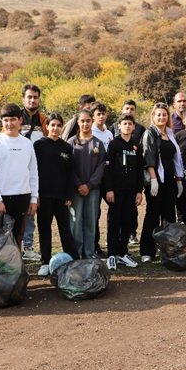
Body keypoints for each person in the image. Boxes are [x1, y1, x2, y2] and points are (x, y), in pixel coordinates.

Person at [0, 103, 39, 249]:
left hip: (22, 197)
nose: (10, 124)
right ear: (1, 121)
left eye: (13, 119)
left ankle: (13, 269)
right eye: (6, 120)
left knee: (16, 237)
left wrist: (34, 198)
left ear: (20, 120)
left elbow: (33, 172)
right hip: (1, 198)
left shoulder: (27, 143)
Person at [33, 113, 79, 276]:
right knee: (44, 229)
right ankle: (45, 261)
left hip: (61, 197)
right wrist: (35, 195)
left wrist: (69, 196)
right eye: (52, 125)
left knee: (65, 229)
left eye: (59, 125)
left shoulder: (66, 148)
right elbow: (33, 171)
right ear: (46, 126)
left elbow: (69, 173)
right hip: (43, 196)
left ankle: (73, 258)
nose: (55, 128)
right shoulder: (38, 145)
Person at [140, 103, 185, 262]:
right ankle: (147, 250)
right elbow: (148, 156)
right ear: (153, 116)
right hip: (156, 180)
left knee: (169, 215)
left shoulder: (170, 133)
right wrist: (153, 179)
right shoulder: (150, 133)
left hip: (170, 180)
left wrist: (178, 179)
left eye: (164, 114)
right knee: (152, 215)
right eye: (158, 115)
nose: (162, 117)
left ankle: (167, 250)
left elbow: (176, 158)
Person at [104, 114, 144, 270]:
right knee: (114, 221)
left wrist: (139, 191)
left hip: (131, 191)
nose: (127, 126)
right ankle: (111, 255)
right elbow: (108, 169)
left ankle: (123, 253)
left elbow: (140, 171)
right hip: (116, 190)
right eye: (124, 123)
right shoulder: (113, 144)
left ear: (134, 127)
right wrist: (109, 189)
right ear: (118, 126)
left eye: (130, 124)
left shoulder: (136, 146)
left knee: (127, 221)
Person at [67, 109, 106, 259]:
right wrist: (78, 184)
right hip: (76, 189)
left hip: (93, 190)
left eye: (88, 121)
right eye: (82, 121)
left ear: (92, 121)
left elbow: (101, 166)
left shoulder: (98, 143)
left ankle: (89, 253)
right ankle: (76, 254)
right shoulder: (71, 143)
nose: (85, 124)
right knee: (75, 222)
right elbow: (68, 168)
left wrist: (89, 185)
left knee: (91, 221)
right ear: (78, 122)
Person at [19, 83, 48, 262]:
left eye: (35, 97)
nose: (32, 100)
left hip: (38, 171)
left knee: (32, 210)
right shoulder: (16, 117)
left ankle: (29, 247)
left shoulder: (43, 120)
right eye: (29, 97)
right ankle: (14, 247)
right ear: (23, 99)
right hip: (17, 171)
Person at [90, 101, 114, 257]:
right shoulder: (90, 132)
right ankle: (94, 245)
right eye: (98, 114)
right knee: (95, 212)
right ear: (93, 116)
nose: (101, 117)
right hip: (94, 174)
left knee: (113, 208)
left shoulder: (109, 133)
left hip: (108, 174)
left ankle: (112, 244)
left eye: (103, 114)